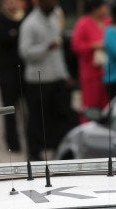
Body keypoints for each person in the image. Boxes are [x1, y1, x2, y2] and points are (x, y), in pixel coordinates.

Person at [19, 0, 78, 161]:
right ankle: (34, 153)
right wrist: (46, 47)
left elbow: (58, 55)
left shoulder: (54, 19)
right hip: (38, 80)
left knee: (61, 116)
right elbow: (25, 52)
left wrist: (65, 75)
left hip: (56, 78)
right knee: (37, 118)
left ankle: (58, 149)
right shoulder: (29, 24)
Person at [0, 0, 26, 152]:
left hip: (25, 70)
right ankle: (13, 143)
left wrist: (15, 34)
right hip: (6, 71)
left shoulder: (26, 17)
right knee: (9, 109)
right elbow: (5, 39)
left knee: (28, 109)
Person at [71, 0, 110, 124]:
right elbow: (76, 46)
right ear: (95, 8)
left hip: (108, 70)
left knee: (106, 104)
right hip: (91, 72)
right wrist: (93, 46)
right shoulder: (84, 22)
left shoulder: (108, 22)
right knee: (90, 105)